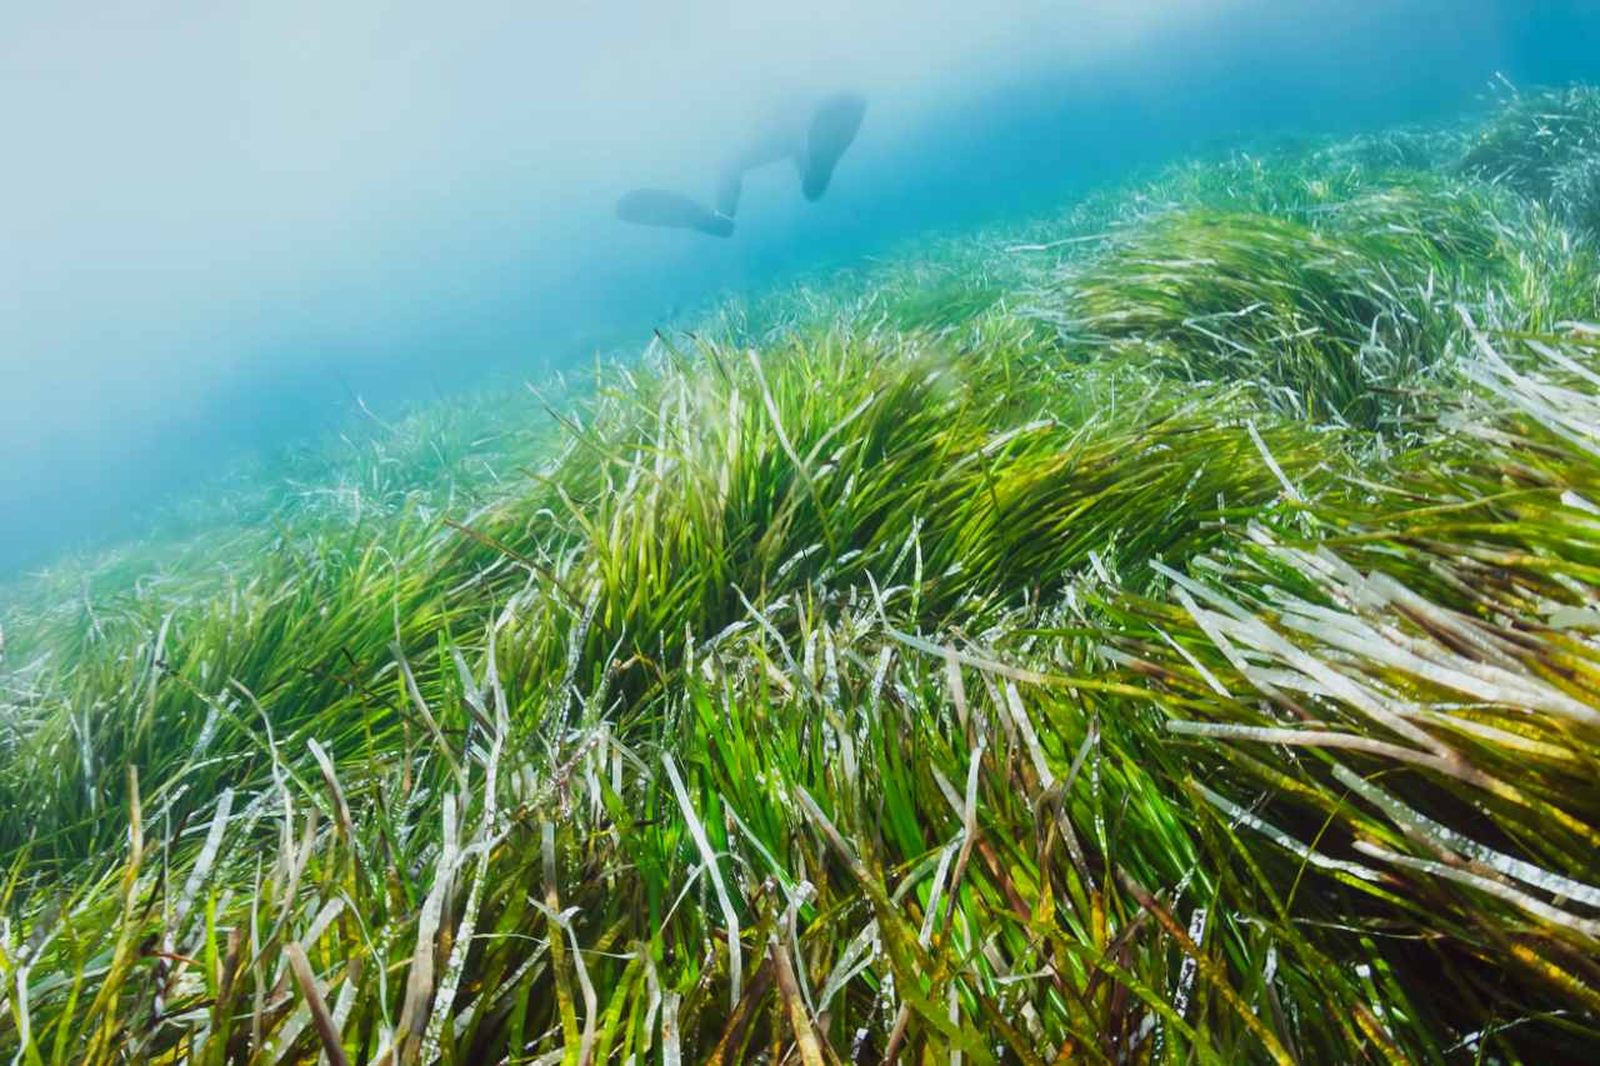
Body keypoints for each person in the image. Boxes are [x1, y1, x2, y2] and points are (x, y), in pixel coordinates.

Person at [616, 92, 866, 238]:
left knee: (731, 165)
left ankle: (719, 219)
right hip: (796, 121)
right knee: (810, 181)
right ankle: (818, 171)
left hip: (788, 122)